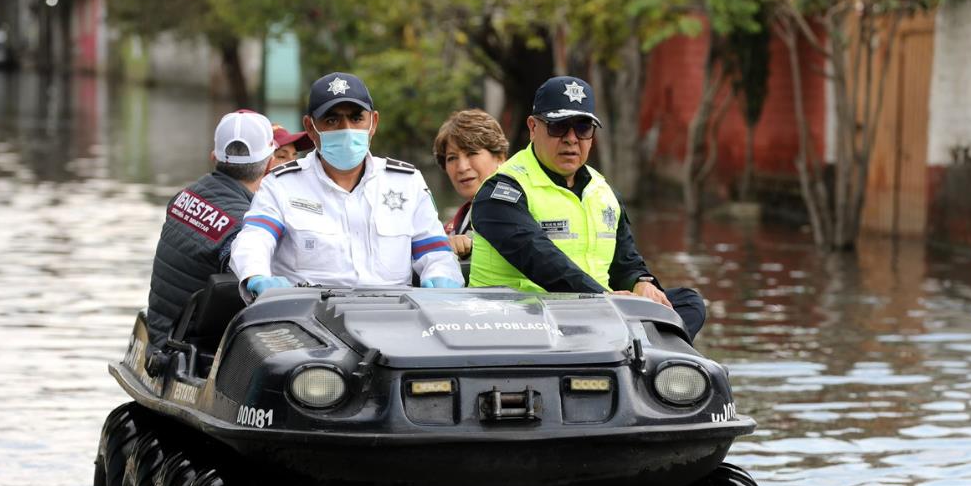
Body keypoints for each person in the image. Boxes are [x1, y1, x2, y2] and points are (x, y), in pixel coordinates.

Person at [468, 76, 707, 336]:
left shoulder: (603, 191)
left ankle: (645, 355)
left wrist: (641, 283)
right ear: (533, 127)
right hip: (516, 319)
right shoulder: (501, 192)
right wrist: (603, 300)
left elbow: (625, 262)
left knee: (687, 302)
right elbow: (542, 260)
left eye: (583, 128)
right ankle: (637, 343)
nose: (571, 139)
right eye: (559, 127)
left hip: (595, 313)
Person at [231, 72, 464, 296]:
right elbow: (255, 239)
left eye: (356, 118)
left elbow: (434, 252)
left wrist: (442, 277)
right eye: (332, 120)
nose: (346, 129)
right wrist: (257, 276)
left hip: (394, 318)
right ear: (311, 127)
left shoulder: (406, 182)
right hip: (309, 321)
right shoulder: (281, 184)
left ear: (373, 122)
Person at [145, 109, 276, 348]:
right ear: (270, 164)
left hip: (162, 334)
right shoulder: (244, 227)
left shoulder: (184, 196)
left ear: (213, 156)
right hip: (188, 348)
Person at [432, 109, 509, 257]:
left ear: (500, 157)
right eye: (452, 158)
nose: (462, 167)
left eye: (472, 153)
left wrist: (472, 244)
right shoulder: (449, 228)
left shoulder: (521, 210)